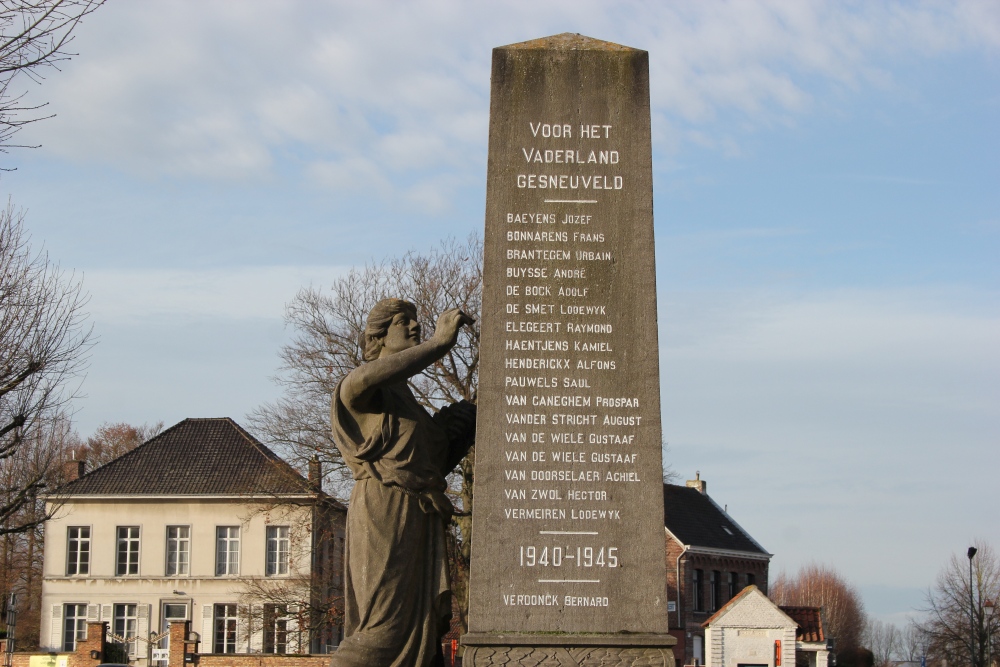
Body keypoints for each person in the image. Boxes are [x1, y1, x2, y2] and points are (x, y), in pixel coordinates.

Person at [330, 298, 475, 667]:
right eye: (403, 321)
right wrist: (439, 345)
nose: (414, 327)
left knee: (423, 630)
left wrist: (462, 424)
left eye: (416, 321)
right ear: (379, 335)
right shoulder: (366, 387)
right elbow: (360, 381)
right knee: (383, 628)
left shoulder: (407, 402)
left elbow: (429, 464)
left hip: (419, 513)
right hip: (384, 507)